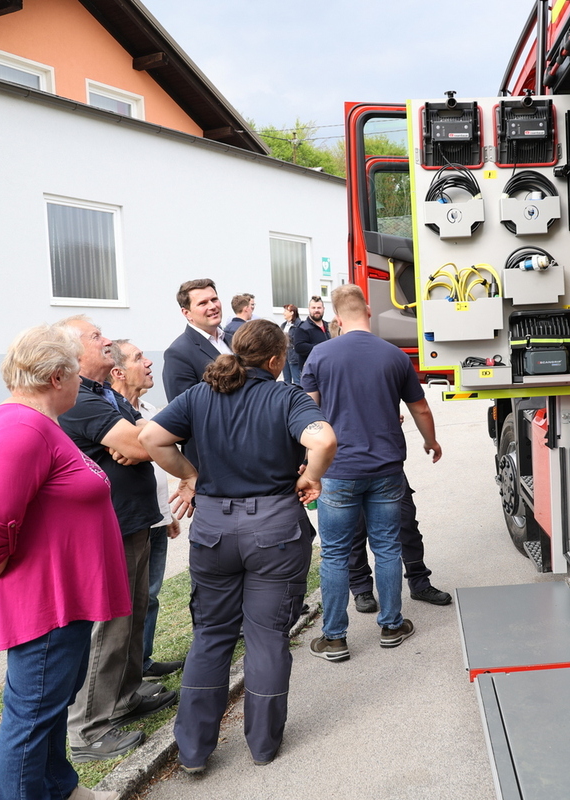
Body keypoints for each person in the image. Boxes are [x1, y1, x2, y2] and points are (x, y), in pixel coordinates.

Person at [139, 319, 336, 773]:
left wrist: (189, 474)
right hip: (274, 530)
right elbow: (323, 439)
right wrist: (311, 476)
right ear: (276, 360)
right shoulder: (287, 398)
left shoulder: (199, 395)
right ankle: (263, 745)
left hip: (213, 530)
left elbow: (151, 438)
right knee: (266, 637)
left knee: (210, 636)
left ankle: (193, 750)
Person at [0, 323, 130, 800]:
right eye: (75, 373)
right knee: (31, 717)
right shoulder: (21, 429)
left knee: (50, 705)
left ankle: (61, 789)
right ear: (56, 377)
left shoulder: (31, 423)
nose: (80, 381)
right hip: (45, 600)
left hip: (62, 596)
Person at [301, 284, 441, 662]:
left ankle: (334, 638)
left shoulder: (319, 355)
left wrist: (309, 464)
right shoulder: (394, 355)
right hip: (385, 468)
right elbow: (420, 408)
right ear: (368, 309)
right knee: (388, 547)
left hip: (337, 470)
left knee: (334, 555)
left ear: (336, 316)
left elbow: (308, 415)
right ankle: (392, 626)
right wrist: (431, 442)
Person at [57, 316, 175, 763]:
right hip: (108, 527)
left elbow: (144, 437)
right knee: (110, 625)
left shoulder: (102, 393)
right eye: (95, 336)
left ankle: (124, 698)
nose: (106, 339)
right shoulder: (80, 401)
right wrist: (136, 444)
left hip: (132, 521)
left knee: (132, 616)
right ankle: (88, 729)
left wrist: (137, 442)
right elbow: (143, 445)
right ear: (73, 352)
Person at [108, 340, 184, 679]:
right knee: (126, 603)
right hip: (128, 522)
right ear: (119, 372)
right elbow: (146, 448)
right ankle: (125, 675)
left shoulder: (150, 410)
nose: (149, 362)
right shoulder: (110, 413)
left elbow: (152, 455)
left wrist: (166, 515)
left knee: (149, 596)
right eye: (139, 358)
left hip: (155, 516)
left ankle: (143, 663)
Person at [349, 478, 451, 613]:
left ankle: (419, 583)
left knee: (406, 522)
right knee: (355, 530)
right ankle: (361, 588)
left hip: (388, 470)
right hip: (347, 473)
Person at [162, 279, 233, 403]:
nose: (212, 306)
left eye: (214, 299)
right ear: (186, 313)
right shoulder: (178, 354)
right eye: (203, 303)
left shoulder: (234, 340)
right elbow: (183, 407)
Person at [292, 295, 330, 368]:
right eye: (313, 308)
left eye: (319, 308)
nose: (316, 310)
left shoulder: (329, 326)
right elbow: (299, 347)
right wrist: (322, 347)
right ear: (309, 309)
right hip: (311, 369)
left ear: (323, 309)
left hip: (328, 366)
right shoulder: (302, 328)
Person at [280, 304, 302, 384]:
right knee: (286, 380)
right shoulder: (283, 325)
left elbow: (297, 340)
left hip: (294, 356)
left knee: (297, 380)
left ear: (292, 312)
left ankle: (298, 392)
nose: (283, 313)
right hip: (284, 355)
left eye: (286, 311)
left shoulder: (299, 325)